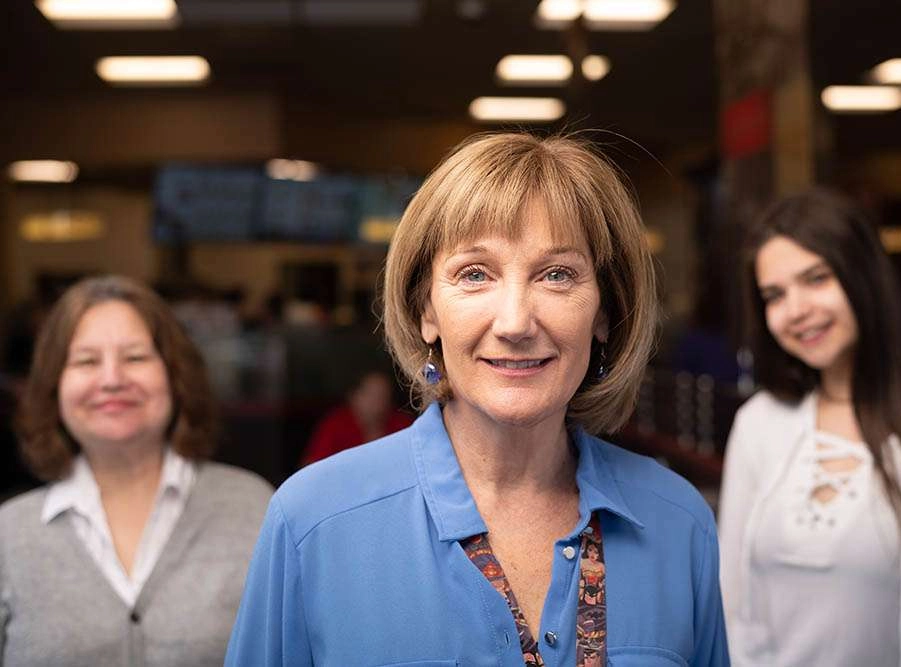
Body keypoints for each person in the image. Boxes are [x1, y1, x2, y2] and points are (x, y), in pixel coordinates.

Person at [226, 132, 729, 665]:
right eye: (475, 274)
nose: (515, 322)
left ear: (604, 313)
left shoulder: (678, 522)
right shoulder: (312, 522)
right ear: (426, 311)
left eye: (556, 275)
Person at [718, 189, 901, 666]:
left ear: (864, 276)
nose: (797, 309)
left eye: (817, 279)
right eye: (775, 295)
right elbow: (732, 610)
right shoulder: (759, 422)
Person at [0, 275, 273, 666]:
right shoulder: (8, 536)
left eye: (135, 357)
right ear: (53, 386)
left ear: (175, 376)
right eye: (86, 361)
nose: (112, 379)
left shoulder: (253, 507)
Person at [298, 369, 413, 466]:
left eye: (383, 396)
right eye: (371, 395)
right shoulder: (335, 425)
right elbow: (311, 467)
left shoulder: (402, 425)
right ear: (354, 396)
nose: (378, 402)